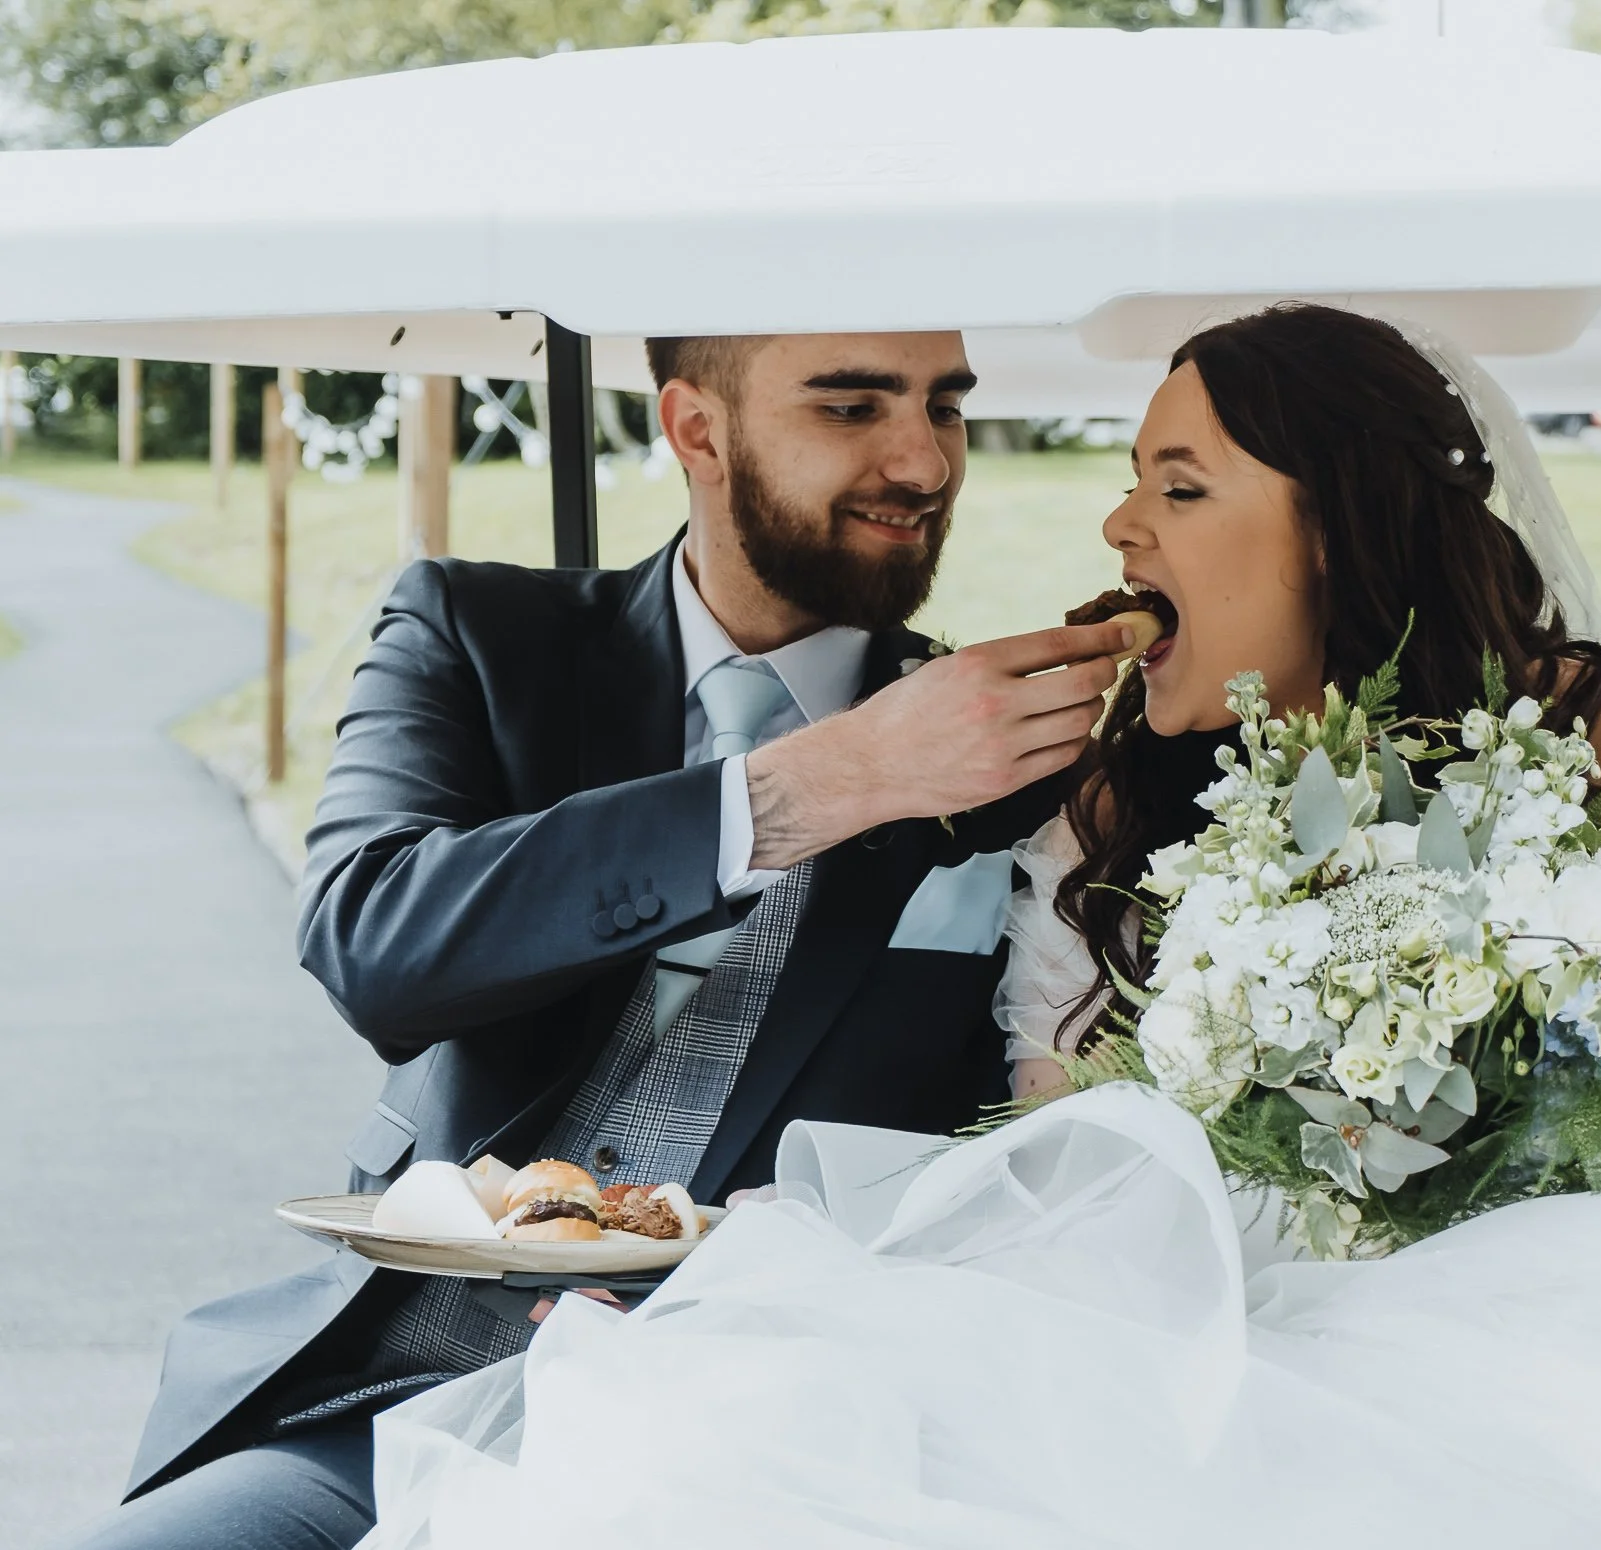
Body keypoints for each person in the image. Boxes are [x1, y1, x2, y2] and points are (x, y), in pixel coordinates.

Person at [352, 306, 1601, 1549]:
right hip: (1222, 1427)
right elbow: (1047, 1193)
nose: (1114, 527)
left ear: (1340, 523)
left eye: (1177, 483)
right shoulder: (1111, 811)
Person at [62, 329, 1133, 1550]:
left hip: (747, 1453)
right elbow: (373, 942)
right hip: (387, 1405)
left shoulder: (1016, 759)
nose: (925, 461)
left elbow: (1034, 1187)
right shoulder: (474, 632)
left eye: (943, 407)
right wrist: (825, 781)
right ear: (695, 429)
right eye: (850, 408)